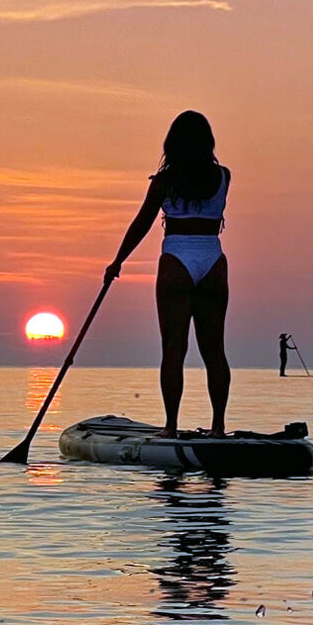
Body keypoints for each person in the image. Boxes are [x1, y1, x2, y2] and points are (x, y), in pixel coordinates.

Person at [106, 111, 230, 437]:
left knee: (174, 349)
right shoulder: (223, 176)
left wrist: (117, 261)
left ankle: (171, 427)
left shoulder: (164, 182)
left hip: (176, 259)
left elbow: (142, 223)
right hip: (213, 262)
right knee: (214, 350)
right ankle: (218, 428)